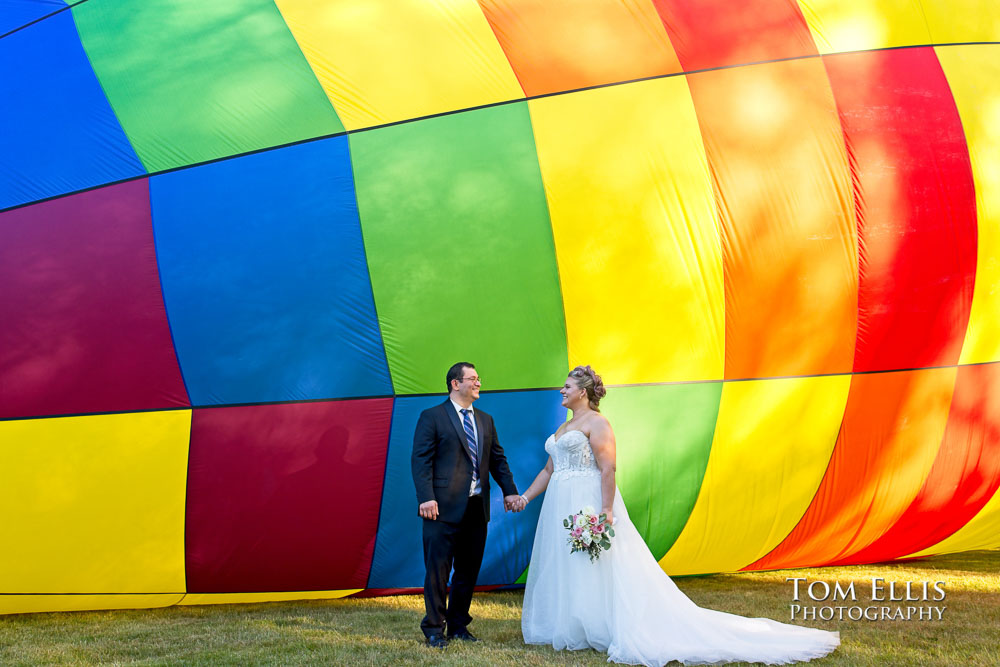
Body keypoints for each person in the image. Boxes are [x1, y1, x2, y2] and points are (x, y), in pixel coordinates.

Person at [514, 365, 840, 665]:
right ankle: (574, 624)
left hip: (587, 499)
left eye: (567, 386)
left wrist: (606, 509)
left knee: (598, 563)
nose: (561, 391)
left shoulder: (597, 423)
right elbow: (549, 468)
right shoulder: (564, 427)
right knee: (570, 562)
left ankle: (605, 624)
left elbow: (608, 466)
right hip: (560, 502)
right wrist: (526, 498)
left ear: (582, 392)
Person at [411, 362, 522, 648]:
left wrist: (510, 491)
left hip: (476, 508)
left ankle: (458, 626)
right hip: (441, 508)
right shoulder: (432, 417)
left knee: (468, 570)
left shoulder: (485, 419)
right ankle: (434, 629)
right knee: (437, 570)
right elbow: (420, 460)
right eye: (472, 379)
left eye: (478, 379)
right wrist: (426, 497)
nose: (478, 383)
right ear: (454, 384)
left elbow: (497, 459)